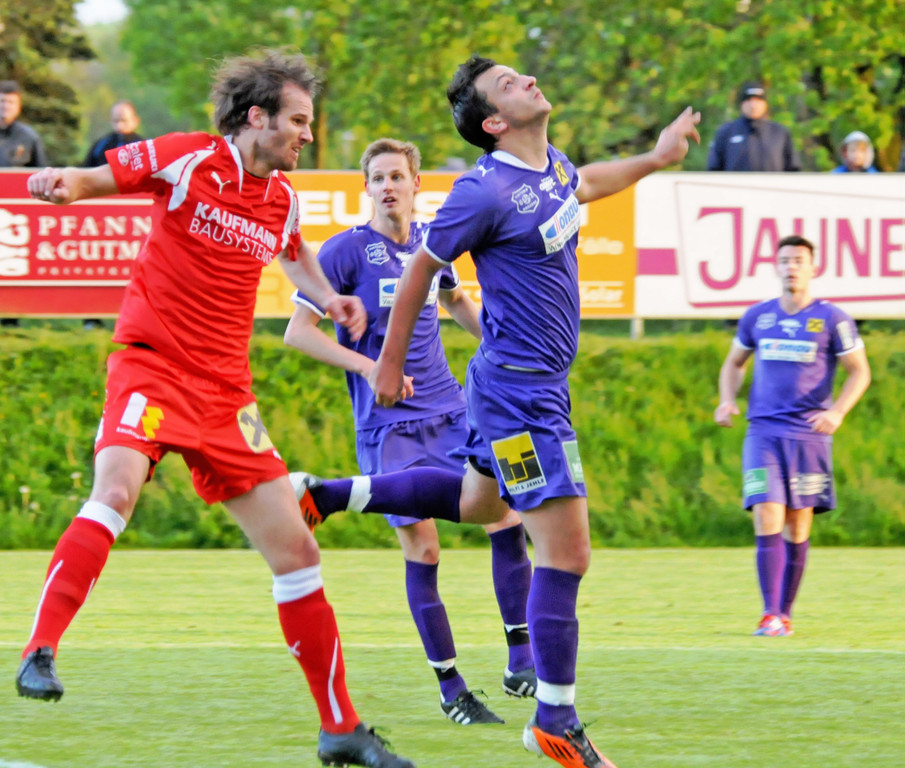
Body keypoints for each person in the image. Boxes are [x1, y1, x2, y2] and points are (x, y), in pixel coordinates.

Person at [290, 54, 701, 768]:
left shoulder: (551, 167)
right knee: (566, 552)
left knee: (479, 505)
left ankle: (327, 495)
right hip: (521, 397)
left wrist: (657, 158)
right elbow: (422, 270)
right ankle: (554, 720)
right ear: (493, 122)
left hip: (513, 388)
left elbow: (587, 183)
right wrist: (384, 363)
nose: (528, 80)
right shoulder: (482, 191)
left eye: (520, 74)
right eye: (508, 84)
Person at [15, 49, 415, 768]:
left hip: (228, 396)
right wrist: (60, 183)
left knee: (297, 549)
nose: (307, 135)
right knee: (116, 491)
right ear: (257, 117)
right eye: (299, 120)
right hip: (151, 368)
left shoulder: (282, 198)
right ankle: (39, 650)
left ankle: (341, 728)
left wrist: (330, 299)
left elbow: (293, 255)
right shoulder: (188, 158)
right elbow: (95, 177)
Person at [284, 137, 536, 725]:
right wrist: (371, 367)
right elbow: (297, 333)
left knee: (505, 518)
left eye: (397, 176)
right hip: (387, 425)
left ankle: (521, 660)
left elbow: (458, 303)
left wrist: (506, 347)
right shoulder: (345, 252)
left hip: (451, 412)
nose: (388, 186)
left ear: (416, 184)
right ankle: (452, 690)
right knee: (424, 548)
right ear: (366, 189)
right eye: (378, 178)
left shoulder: (432, 243)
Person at [714, 234, 870, 637]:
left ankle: (785, 613)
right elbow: (734, 363)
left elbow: (860, 371)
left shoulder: (833, 319)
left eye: (799, 260)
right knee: (767, 511)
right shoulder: (758, 316)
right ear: (776, 267)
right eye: (785, 260)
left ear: (813, 267)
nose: (791, 267)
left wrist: (837, 411)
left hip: (809, 435)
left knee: (798, 525)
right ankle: (769, 614)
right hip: (763, 433)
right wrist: (727, 400)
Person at [1, 80, 49, 327]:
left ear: (18, 105)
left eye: (10, 101)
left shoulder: (28, 137)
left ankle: (10, 317)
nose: (5, 106)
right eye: (2, 101)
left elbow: (41, 173)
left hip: (14, 218)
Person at [707, 81, 800, 172]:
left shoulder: (780, 133)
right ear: (741, 104)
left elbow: (793, 169)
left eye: (758, 100)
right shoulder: (726, 132)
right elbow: (714, 169)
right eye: (748, 100)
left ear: (765, 104)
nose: (753, 105)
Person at [83, 100, 143, 168]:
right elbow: (87, 168)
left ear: (135, 121)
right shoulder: (101, 145)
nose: (119, 125)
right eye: (115, 121)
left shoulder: (142, 146)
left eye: (124, 120)